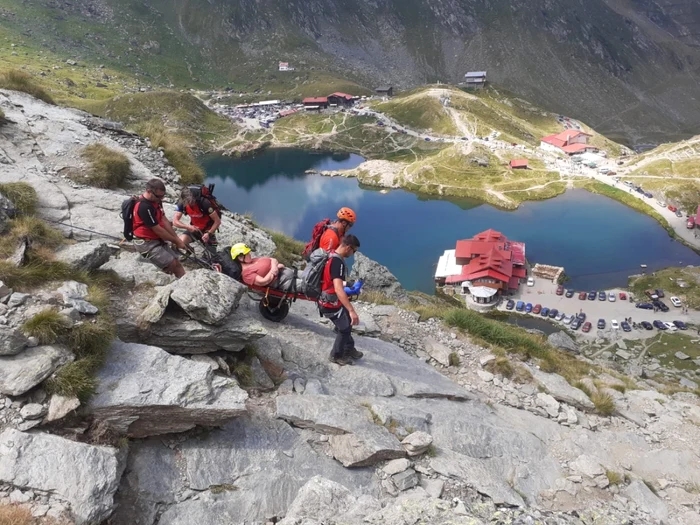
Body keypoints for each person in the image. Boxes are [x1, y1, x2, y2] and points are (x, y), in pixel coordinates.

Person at [318, 234, 362, 366]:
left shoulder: (331, 255)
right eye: (354, 251)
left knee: (347, 322)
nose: (353, 253)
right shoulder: (338, 263)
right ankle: (336, 355)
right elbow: (338, 289)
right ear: (348, 248)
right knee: (344, 329)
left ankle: (349, 348)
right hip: (330, 303)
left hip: (328, 298)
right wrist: (351, 310)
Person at [131, 179, 186, 278]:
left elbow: (164, 220)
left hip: (156, 239)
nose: (161, 199)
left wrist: (176, 239)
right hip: (146, 242)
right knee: (171, 264)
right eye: (158, 196)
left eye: (162, 196)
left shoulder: (156, 201)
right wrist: (176, 241)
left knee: (177, 263)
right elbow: (158, 230)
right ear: (148, 191)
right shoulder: (144, 207)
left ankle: (185, 283)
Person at [230, 243, 298, 290]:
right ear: (241, 257)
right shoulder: (246, 274)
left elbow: (272, 259)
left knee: (307, 274)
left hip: (287, 271)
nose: (250, 254)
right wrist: (274, 270)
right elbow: (263, 281)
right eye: (247, 254)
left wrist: (274, 266)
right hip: (283, 281)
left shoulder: (253, 260)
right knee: (307, 285)